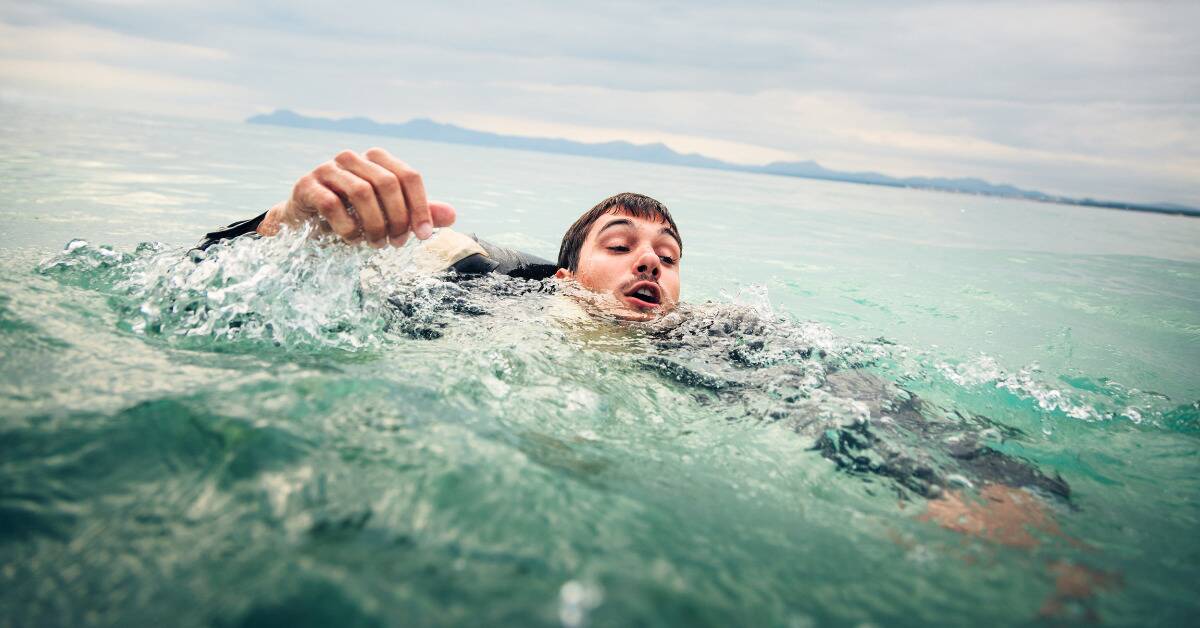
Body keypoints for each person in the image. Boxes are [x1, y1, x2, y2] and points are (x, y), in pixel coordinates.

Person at [196, 148, 682, 322]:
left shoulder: (711, 340)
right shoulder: (472, 305)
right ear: (565, 278)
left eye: (668, 257)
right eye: (619, 245)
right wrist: (291, 229)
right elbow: (212, 295)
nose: (650, 263)